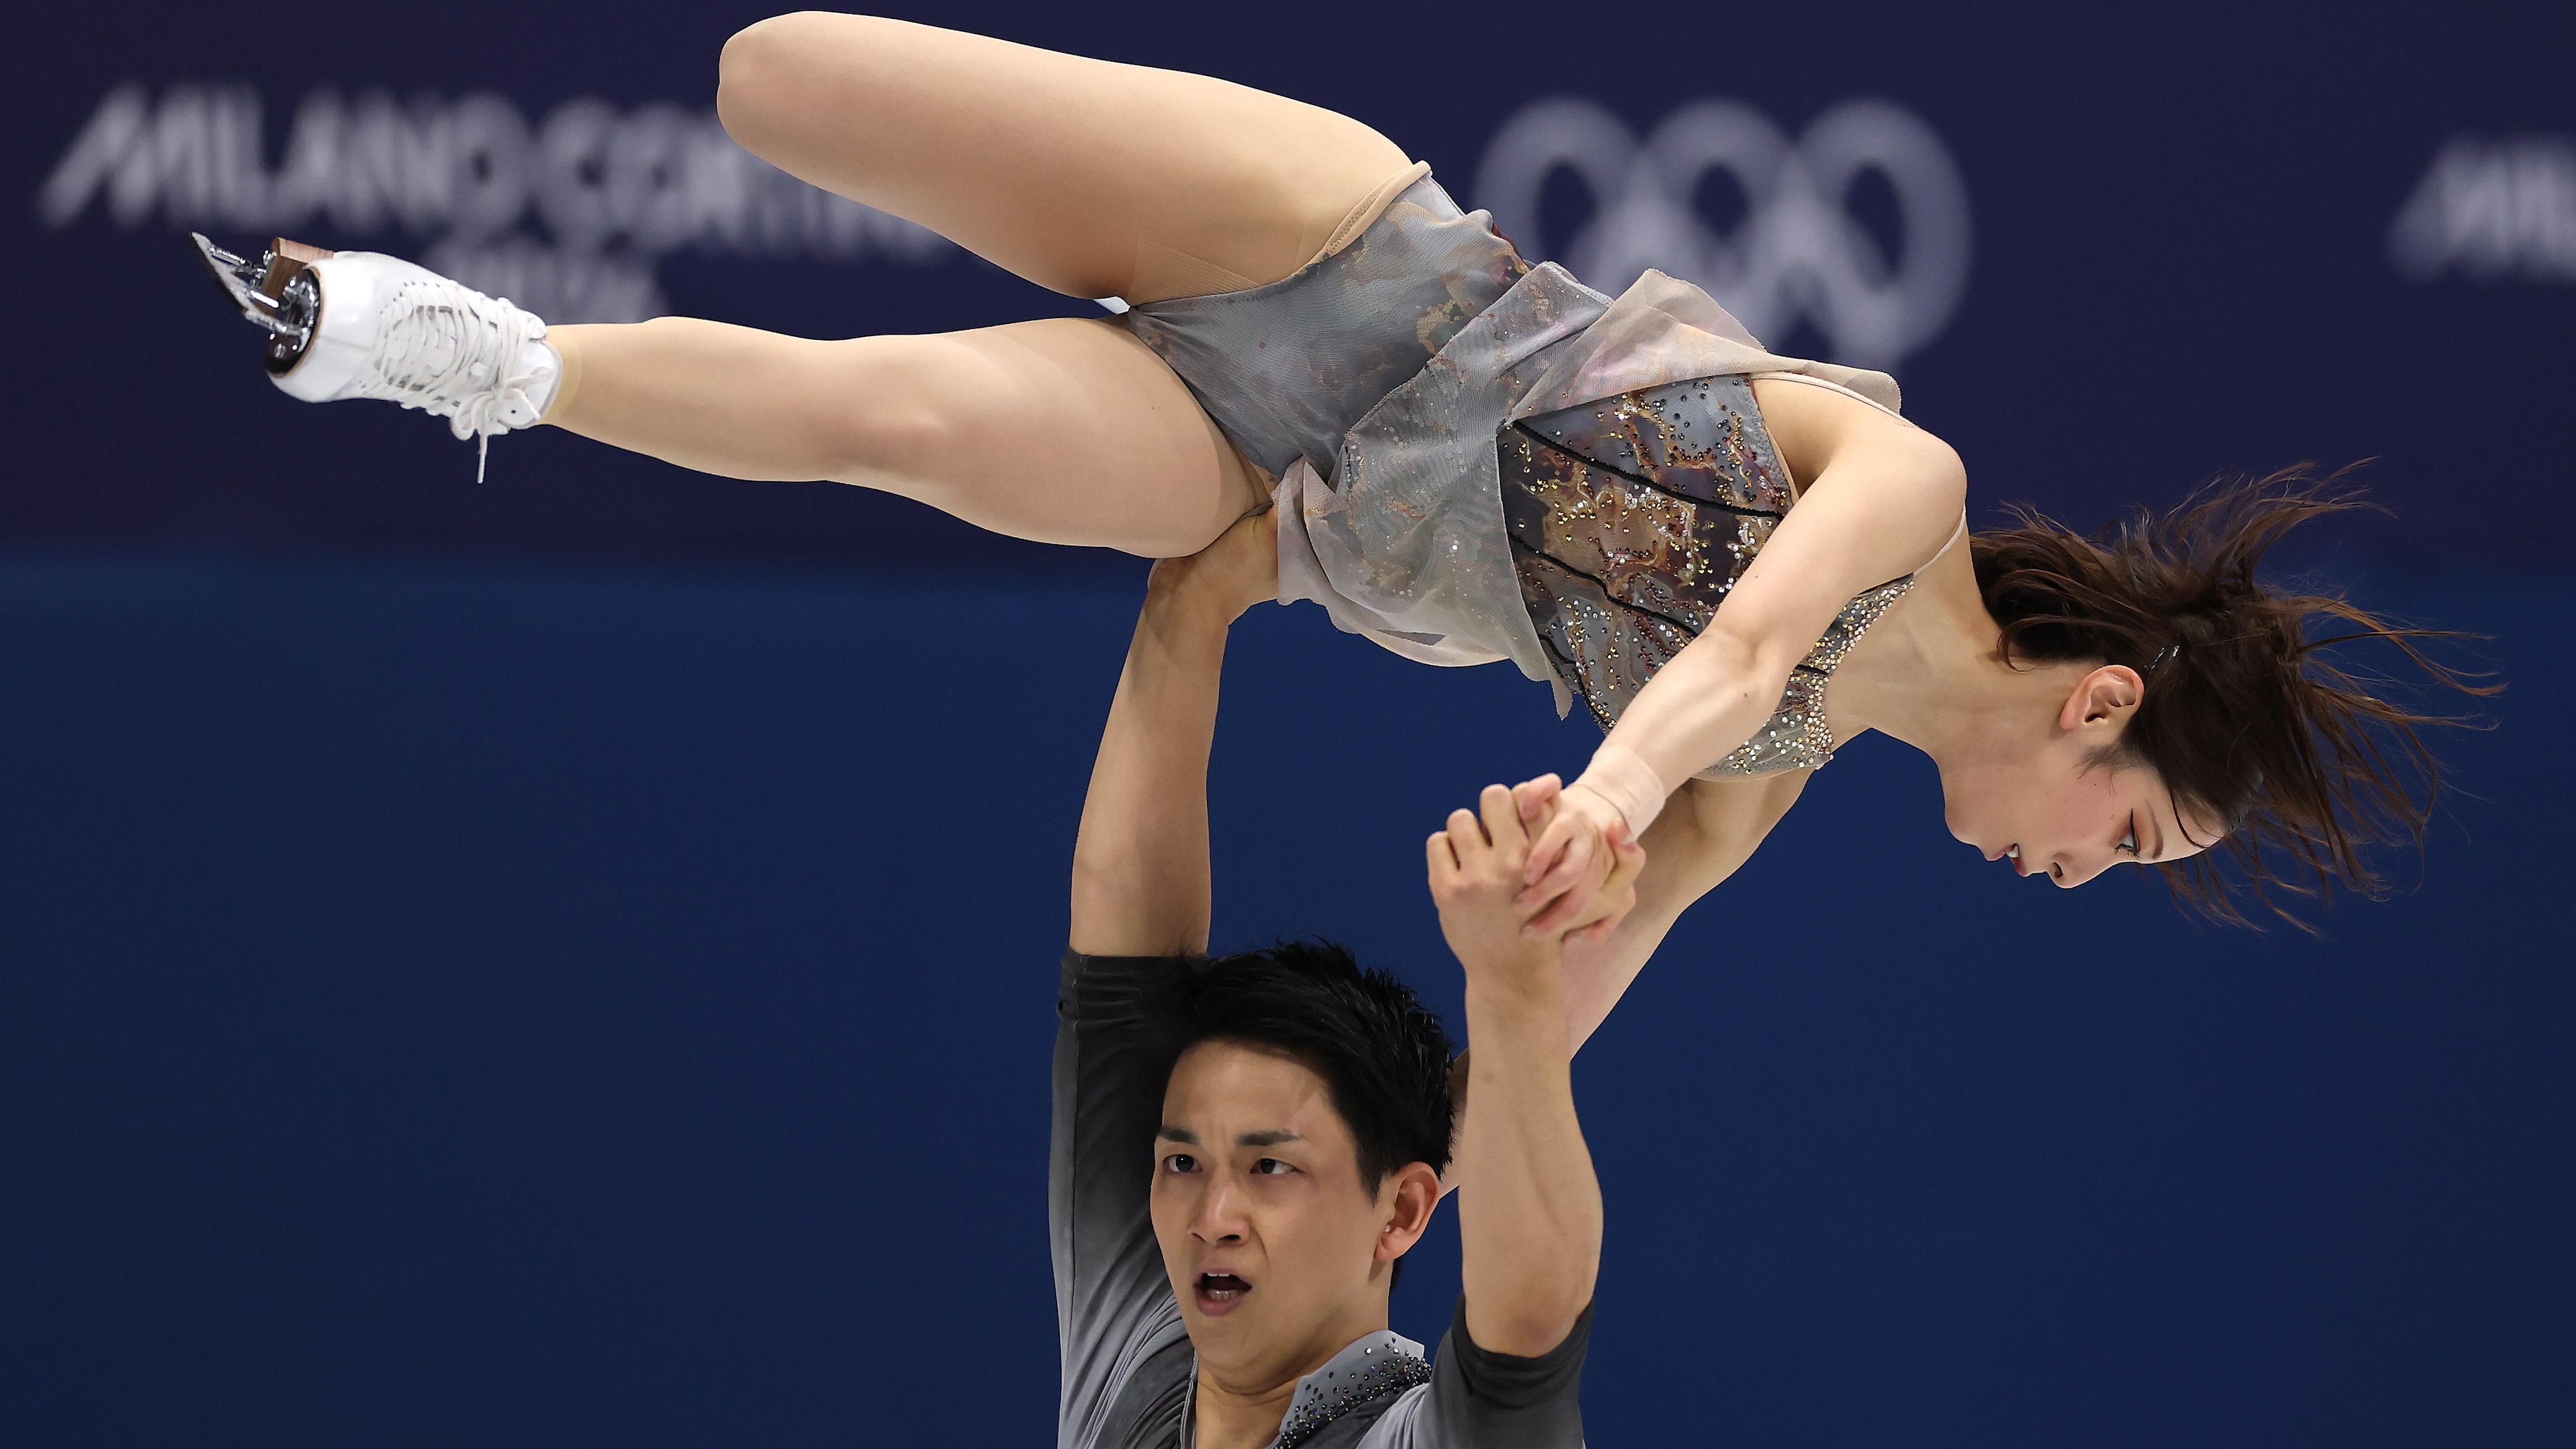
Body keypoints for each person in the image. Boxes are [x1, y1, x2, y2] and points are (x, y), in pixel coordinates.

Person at [196, 14, 2487, 943]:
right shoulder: (1905, 483)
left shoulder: (1760, 803)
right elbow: (1754, 637)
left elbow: (1579, 986)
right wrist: (1613, 798)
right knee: (772, 78)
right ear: (2098, 712)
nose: (2087, 879)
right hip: (1341, 255)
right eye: (2143, 837)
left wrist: (1536, 939)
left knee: (880, 421)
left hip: (1257, 473)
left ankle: (446, 350)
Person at [1056, 508, 1630, 1448]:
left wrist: (1511, 980)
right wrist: (1194, 598)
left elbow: (1532, 1318)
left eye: (1270, 1166)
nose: (1213, 1217)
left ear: (1401, 1211)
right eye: (1182, 1163)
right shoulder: (1139, 1359)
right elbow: (1122, 956)